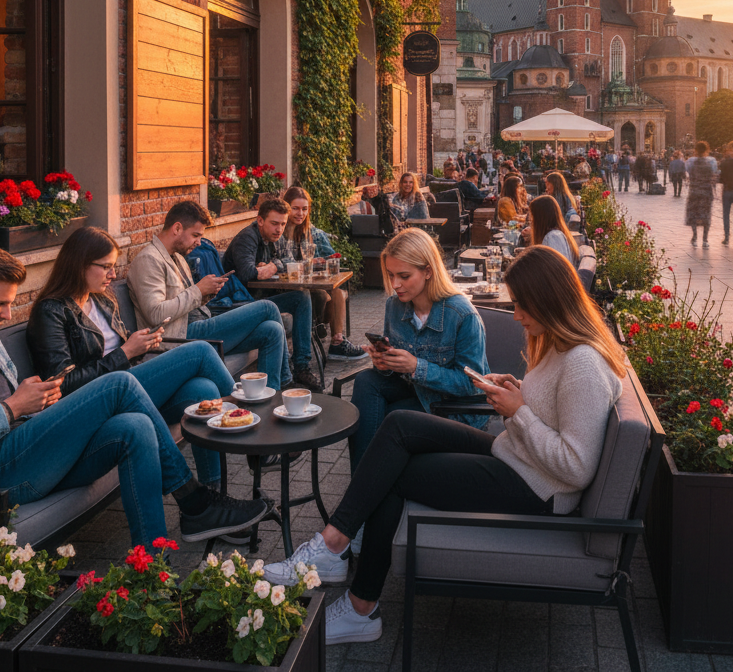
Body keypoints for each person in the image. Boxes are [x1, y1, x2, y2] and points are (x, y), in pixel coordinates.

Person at [259, 246, 626, 646]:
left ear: (550, 301)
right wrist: (518, 392)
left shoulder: (583, 365)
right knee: (399, 425)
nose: (516, 314)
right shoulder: (561, 347)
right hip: (516, 456)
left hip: (537, 487)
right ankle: (334, 543)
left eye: (522, 305)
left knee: (394, 477)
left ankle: (360, 604)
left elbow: (576, 467)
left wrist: (519, 412)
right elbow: (557, 415)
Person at [0, 246, 268, 546]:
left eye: (9, 302)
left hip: (21, 446)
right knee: (120, 384)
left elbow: (13, 408)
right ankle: (195, 501)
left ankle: (152, 573)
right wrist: (11, 408)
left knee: (132, 426)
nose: (6, 313)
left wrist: (38, 402)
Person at [27, 226, 255, 515]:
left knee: (203, 390)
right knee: (198, 350)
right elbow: (63, 385)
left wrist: (142, 345)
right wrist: (126, 352)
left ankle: (213, 497)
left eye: (113, 267)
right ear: (80, 264)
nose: (113, 276)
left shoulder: (101, 300)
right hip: (100, 403)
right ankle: (251, 431)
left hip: (131, 385)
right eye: (106, 267)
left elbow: (124, 355)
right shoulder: (51, 311)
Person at [346, 226, 490, 486]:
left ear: (428, 271)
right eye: (391, 275)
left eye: (404, 276)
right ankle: (363, 484)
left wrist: (416, 367)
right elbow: (395, 371)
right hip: (415, 391)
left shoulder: (462, 315)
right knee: (367, 381)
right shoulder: (395, 305)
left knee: (388, 418)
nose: (395, 285)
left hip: (453, 408)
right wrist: (384, 363)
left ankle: (363, 488)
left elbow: (472, 384)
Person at [126, 202, 299, 390]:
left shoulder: (177, 257)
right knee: (268, 307)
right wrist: (198, 290)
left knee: (272, 330)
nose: (199, 242)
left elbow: (185, 301)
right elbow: (156, 314)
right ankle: (287, 382)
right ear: (177, 228)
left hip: (201, 325)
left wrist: (205, 295)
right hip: (181, 337)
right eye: (195, 235)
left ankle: (271, 396)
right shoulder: (149, 260)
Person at [223, 197, 320, 390]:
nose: (279, 229)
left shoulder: (273, 238)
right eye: (274, 223)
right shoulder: (247, 237)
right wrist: (273, 266)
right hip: (239, 306)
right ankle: (285, 378)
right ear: (260, 221)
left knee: (302, 297)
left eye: (283, 224)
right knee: (293, 302)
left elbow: (288, 261)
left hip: (260, 299)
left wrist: (271, 267)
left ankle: (301, 366)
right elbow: (248, 273)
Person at [281, 185, 362, 361]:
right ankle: (315, 332)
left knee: (337, 292)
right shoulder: (278, 233)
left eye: (304, 209)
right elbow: (279, 263)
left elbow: (330, 257)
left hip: (312, 285)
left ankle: (337, 343)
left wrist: (324, 262)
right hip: (286, 289)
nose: (300, 213)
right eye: (295, 208)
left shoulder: (313, 233)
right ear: (286, 208)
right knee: (321, 296)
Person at [528, 194, 579, 266]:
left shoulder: (553, 237)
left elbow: (557, 270)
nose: (531, 221)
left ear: (540, 218)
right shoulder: (555, 234)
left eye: (532, 216)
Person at [684, 141, 718, 248]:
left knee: (693, 214)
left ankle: (694, 237)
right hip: (706, 191)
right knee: (706, 215)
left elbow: (688, 172)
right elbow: (714, 173)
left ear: (695, 150)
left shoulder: (690, 161)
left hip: (694, 190)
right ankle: (705, 239)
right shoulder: (712, 162)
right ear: (707, 150)